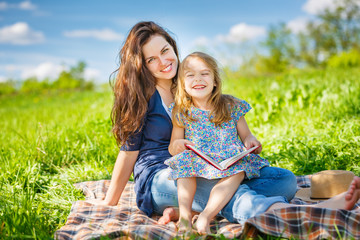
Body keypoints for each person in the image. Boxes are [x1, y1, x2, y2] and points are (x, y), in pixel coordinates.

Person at [86, 21, 360, 233]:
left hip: (209, 166)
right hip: (162, 175)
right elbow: (128, 153)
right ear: (142, 66)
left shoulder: (188, 84)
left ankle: (193, 208)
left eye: (165, 51)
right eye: (151, 59)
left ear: (173, 47)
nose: (163, 62)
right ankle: (314, 213)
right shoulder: (141, 98)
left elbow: (223, 118)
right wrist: (111, 201)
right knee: (235, 193)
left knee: (283, 180)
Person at [163, 52, 269, 234]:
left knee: (242, 169)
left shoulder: (231, 105)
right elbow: (173, 148)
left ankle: (206, 215)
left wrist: (252, 142)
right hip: (199, 165)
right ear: (182, 84)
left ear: (215, 81)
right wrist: (179, 144)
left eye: (204, 73)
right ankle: (185, 217)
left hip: (229, 163)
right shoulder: (182, 111)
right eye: (190, 75)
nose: (198, 79)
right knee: (184, 162)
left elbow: (247, 137)